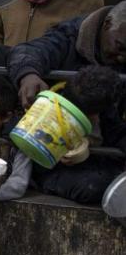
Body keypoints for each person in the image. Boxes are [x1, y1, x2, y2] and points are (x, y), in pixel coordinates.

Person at [7, 0, 126, 109]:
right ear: (107, 24)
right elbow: (29, 51)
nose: (122, 58)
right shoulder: (68, 35)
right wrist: (28, 74)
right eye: (120, 47)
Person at [32, 66, 126, 203]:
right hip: (53, 173)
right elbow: (33, 153)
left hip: (96, 167)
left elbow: (117, 133)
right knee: (95, 187)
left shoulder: (103, 107)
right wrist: (56, 154)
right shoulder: (51, 109)